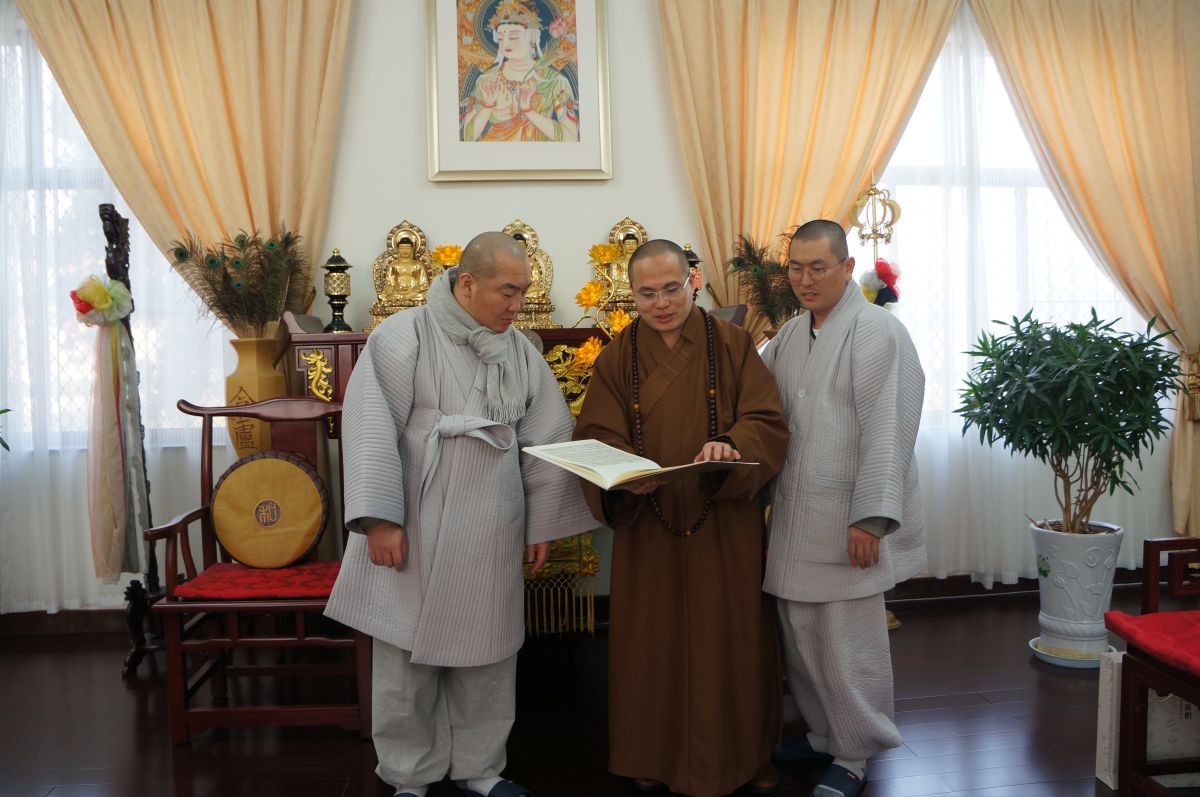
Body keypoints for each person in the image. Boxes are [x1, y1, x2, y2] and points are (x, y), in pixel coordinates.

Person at [326, 231, 599, 797]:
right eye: (508, 291)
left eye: (523, 292)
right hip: (415, 516)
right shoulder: (402, 335)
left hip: (492, 519)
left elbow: (547, 435)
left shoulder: (520, 351)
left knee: (489, 648)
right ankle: (408, 775)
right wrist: (380, 520)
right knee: (406, 651)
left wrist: (541, 522)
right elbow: (370, 425)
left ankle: (481, 768)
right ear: (468, 283)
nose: (518, 305)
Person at [572, 239, 790, 797]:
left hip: (722, 521)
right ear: (632, 294)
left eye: (671, 289)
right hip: (651, 522)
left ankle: (740, 759)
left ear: (693, 281)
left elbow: (766, 422)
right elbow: (596, 433)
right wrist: (623, 471)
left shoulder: (734, 345)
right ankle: (651, 756)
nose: (662, 303)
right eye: (647, 294)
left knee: (730, 639)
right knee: (652, 643)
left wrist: (731, 445)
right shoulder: (619, 356)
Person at [760, 220, 926, 797]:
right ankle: (825, 733)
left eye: (818, 268)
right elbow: (760, 404)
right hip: (796, 512)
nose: (805, 280)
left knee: (847, 643)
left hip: (848, 517)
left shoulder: (878, 331)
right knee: (802, 639)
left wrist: (871, 517)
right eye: (795, 269)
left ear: (847, 267)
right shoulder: (789, 334)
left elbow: (890, 428)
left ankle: (855, 753)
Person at [460, 0, 579, 142]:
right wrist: (487, 106)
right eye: (500, 38)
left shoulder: (554, 81)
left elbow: (571, 138)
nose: (506, 43)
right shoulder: (488, 80)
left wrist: (529, 111)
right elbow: (467, 137)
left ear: (533, 37)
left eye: (514, 37)